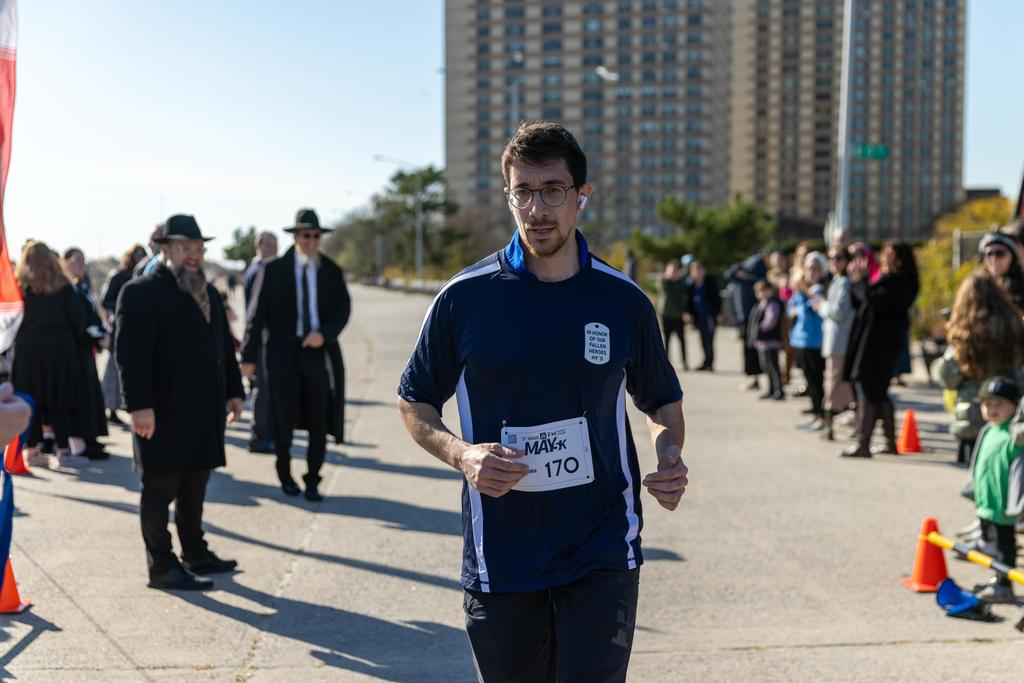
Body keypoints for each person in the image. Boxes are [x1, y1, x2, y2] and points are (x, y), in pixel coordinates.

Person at [397, 121, 687, 682]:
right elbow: (414, 401)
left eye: (553, 190)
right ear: (509, 197)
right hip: (502, 551)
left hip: (603, 542)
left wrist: (669, 454)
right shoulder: (465, 298)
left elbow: (661, 402)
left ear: (582, 195)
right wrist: (462, 455)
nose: (537, 209)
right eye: (523, 192)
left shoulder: (623, 300)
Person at [115, 215, 244, 590]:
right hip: (161, 413)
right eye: (184, 248)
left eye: (198, 249)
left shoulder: (208, 292)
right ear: (166, 249)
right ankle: (161, 564)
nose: (193, 255)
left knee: (195, 484)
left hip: (204, 411)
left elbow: (223, 347)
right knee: (160, 489)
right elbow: (130, 355)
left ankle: (195, 552)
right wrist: (139, 405)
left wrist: (234, 391)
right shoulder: (140, 292)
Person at [241, 209, 351, 502]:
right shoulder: (273, 270)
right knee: (282, 417)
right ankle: (285, 474)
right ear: (296, 237)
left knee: (319, 418)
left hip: (317, 354)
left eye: (316, 236)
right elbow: (255, 316)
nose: (311, 241)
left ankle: (313, 478)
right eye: (306, 236)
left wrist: (324, 334)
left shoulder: (330, 270)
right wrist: (248, 357)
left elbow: (343, 309)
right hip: (282, 355)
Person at [841, 240, 919, 458]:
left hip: (881, 345)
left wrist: (860, 280)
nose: (885, 258)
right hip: (874, 342)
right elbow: (864, 299)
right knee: (879, 392)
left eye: (890, 254)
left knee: (869, 390)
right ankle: (889, 443)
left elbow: (873, 298)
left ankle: (863, 443)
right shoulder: (890, 278)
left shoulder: (901, 281)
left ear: (901, 258)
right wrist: (859, 282)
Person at [936, 272, 1024, 464]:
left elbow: (948, 378)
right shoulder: (1014, 324)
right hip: (1007, 410)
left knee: (975, 474)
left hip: (972, 413)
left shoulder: (964, 330)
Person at [12, 241, 87, 469]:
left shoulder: (19, 287)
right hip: (59, 351)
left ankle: (31, 451)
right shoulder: (63, 287)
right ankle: (63, 451)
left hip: (28, 351)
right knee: (60, 401)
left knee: (30, 401)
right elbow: (79, 319)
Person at [966, 376, 1023, 603]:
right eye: (987, 404)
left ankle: (1004, 585)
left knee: (1005, 547)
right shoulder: (989, 430)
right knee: (994, 545)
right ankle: (998, 578)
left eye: (1000, 404)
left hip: (1004, 505)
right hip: (986, 501)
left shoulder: (1015, 434)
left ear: (1015, 406)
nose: (992, 409)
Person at [63, 247, 109, 459]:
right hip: (75, 349)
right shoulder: (67, 288)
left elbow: (92, 314)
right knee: (81, 394)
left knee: (91, 393)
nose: (81, 265)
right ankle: (80, 441)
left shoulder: (83, 286)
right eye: (76, 260)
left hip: (86, 348)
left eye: (83, 260)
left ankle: (90, 435)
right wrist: (94, 335)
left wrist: (100, 333)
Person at [100, 243, 147, 425]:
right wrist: (123, 308)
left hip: (135, 328)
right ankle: (110, 409)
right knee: (113, 369)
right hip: (118, 327)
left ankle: (121, 406)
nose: (139, 258)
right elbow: (105, 300)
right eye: (136, 255)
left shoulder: (140, 275)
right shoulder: (118, 276)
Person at [242, 230, 279, 454]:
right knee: (262, 390)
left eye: (275, 244)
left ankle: (265, 434)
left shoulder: (257, 269)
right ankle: (259, 436)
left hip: (262, 338)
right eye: (268, 244)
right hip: (259, 338)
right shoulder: (259, 271)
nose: (273, 249)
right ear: (258, 246)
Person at [813, 247, 855, 441]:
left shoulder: (844, 282)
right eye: (830, 258)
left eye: (839, 257)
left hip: (839, 341)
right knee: (837, 383)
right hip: (833, 341)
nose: (834, 261)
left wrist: (822, 305)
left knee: (834, 383)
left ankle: (829, 425)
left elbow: (839, 311)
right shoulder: (837, 281)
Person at [789, 252, 828, 431]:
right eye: (808, 268)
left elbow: (812, 310)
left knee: (816, 381)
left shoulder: (820, 289)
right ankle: (815, 414)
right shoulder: (802, 290)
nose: (811, 272)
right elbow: (791, 309)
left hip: (815, 341)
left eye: (815, 269)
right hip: (800, 340)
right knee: (809, 380)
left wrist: (804, 294)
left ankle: (821, 416)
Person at [725, 251, 767, 390]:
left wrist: (741, 265)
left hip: (750, 319)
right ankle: (754, 377)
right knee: (750, 350)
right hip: (744, 319)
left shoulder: (750, 279)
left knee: (750, 350)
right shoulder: (749, 279)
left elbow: (728, 274)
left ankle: (754, 377)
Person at [749, 280, 785, 400]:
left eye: (763, 291)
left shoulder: (772, 303)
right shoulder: (761, 303)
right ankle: (771, 389)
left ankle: (778, 390)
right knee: (766, 367)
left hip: (770, 341)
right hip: (762, 342)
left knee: (773, 367)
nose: (761, 294)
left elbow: (771, 321)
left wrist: (759, 329)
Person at [686, 259, 721, 372]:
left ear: (703, 271)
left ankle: (710, 363)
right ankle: (705, 361)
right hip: (698, 317)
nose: (697, 272)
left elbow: (717, 299)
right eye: (694, 270)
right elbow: (688, 301)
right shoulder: (691, 285)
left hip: (709, 316)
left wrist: (718, 313)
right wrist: (688, 312)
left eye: (699, 270)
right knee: (702, 340)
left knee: (709, 340)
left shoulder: (710, 283)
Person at [978, 232, 1024, 312]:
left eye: (1000, 253)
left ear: (1012, 257)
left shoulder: (1021, 289)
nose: (994, 259)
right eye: (989, 254)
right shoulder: (978, 287)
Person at [657, 259, 689, 371]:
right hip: (666, 315)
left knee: (682, 340)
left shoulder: (681, 283)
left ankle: (685, 362)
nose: (674, 272)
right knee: (667, 340)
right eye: (671, 270)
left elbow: (685, 296)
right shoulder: (665, 281)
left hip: (679, 316)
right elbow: (662, 283)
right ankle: (665, 363)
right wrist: (668, 275)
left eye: (675, 270)